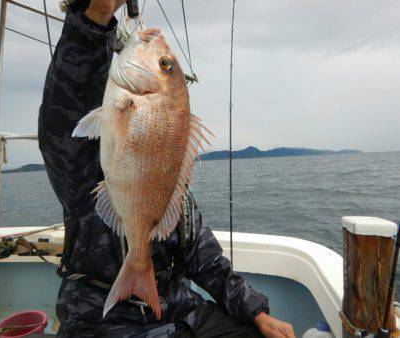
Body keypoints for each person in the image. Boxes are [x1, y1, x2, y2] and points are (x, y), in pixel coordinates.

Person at [38, 0, 295, 337]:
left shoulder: (175, 198)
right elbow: (63, 115)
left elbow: (207, 261)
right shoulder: (84, 175)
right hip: (100, 319)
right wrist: (96, 19)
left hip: (179, 311)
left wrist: (256, 312)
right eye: (164, 64)